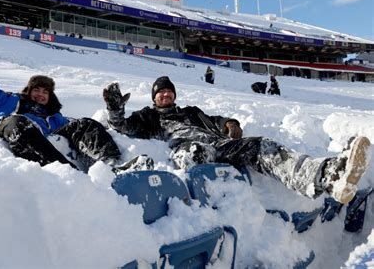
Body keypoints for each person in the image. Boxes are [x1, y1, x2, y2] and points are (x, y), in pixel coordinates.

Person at [102, 76, 371, 204]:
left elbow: (216, 121)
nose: (165, 96)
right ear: (154, 98)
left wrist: (230, 123)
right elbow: (124, 127)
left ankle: (328, 176)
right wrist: (115, 110)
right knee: (194, 152)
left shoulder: (191, 112)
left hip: (219, 146)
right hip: (186, 151)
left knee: (260, 146)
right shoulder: (149, 117)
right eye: (160, 93)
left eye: (169, 92)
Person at [0, 14, 120, 172]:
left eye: (45, 92)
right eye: (36, 90)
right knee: (18, 122)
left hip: (45, 137)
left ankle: (110, 165)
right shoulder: (7, 101)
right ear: (28, 91)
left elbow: (79, 129)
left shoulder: (54, 116)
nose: (40, 94)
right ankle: (71, 174)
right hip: (14, 129)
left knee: (85, 123)